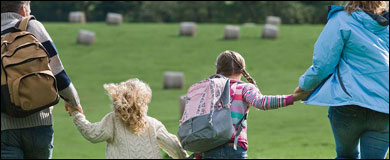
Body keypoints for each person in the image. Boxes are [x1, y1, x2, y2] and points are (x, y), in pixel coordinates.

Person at [294, 1, 389, 159]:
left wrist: (305, 85)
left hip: (348, 103)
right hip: (384, 107)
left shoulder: (341, 19)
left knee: (346, 156)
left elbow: (323, 64)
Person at [1, 1, 83, 159]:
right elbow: (57, 71)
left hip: (4, 130)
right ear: (23, 9)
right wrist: (74, 102)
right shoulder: (32, 26)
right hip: (39, 125)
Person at [197, 50, 309, 159]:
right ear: (242, 70)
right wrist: (294, 97)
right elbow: (262, 103)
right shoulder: (244, 88)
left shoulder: (208, 89)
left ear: (218, 69)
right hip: (234, 148)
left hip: (209, 147)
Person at [65, 78, 189, 159]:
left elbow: (92, 134)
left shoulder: (112, 121)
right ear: (143, 102)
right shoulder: (153, 124)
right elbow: (173, 146)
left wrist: (76, 114)